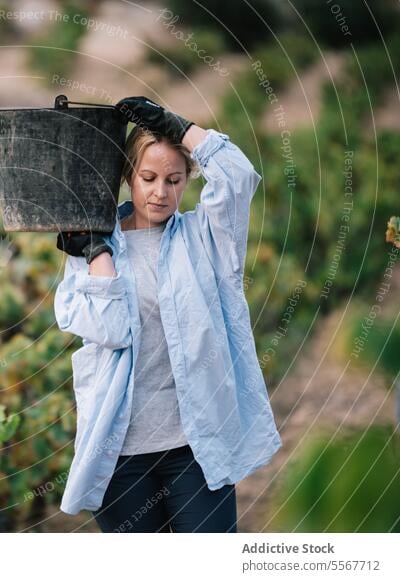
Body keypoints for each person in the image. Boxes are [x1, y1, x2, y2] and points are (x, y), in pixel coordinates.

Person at [53, 96, 282, 532]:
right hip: (121, 451)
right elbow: (112, 329)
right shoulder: (93, 246)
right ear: (128, 177)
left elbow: (237, 177)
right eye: (149, 177)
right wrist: (98, 253)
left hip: (194, 448)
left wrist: (179, 127)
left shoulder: (207, 239)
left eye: (174, 180)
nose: (161, 192)